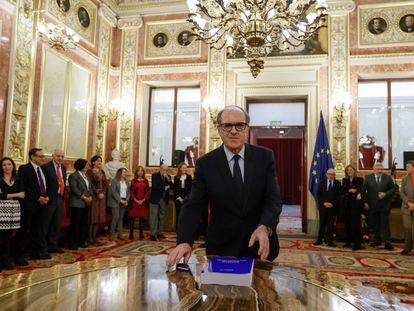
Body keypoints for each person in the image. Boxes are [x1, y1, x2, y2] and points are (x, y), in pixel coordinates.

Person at [167, 105, 282, 267]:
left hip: (260, 246)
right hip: (221, 248)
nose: (233, 131)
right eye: (227, 126)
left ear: (246, 128)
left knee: (261, 291)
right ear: (219, 130)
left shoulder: (264, 157)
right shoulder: (206, 164)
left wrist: (265, 227)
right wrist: (185, 241)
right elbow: (193, 205)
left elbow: (273, 199)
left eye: (239, 125)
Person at [15, 148, 50, 265]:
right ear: (32, 157)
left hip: (42, 205)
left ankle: (35, 252)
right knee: (24, 230)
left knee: (37, 229)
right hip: (29, 205)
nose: (43, 158)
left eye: (43, 156)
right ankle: (19, 256)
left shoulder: (43, 170)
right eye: (40, 156)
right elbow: (24, 187)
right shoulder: (24, 169)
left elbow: (46, 185)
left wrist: (46, 197)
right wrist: (37, 198)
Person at [361, 162, 396, 250]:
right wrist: (365, 202)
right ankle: (377, 241)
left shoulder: (387, 178)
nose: (379, 171)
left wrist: (385, 194)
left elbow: (393, 189)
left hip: (385, 205)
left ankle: (388, 242)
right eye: (377, 169)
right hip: (372, 205)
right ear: (374, 170)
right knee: (375, 224)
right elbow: (363, 191)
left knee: (385, 224)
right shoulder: (368, 178)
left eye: (381, 169)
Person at [0, 157, 25, 270]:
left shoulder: (18, 179)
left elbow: (23, 195)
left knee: (8, 236)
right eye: (4, 165)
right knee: (0, 236)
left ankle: (5, 261)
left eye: (9, 164)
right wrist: (15, 194)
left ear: (13, 166)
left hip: (14, 210)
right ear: (1, 167)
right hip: (1, 209)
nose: (7, 167)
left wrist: (6, 195)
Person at [41, 149, 66, 254]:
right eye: (58, 156)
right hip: (49, 199)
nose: (60, 158)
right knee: (45, 224)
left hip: (59, 198)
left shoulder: (63, 168)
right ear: (53, 156)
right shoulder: (45, 167)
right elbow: (43, 184)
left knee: (56, 224)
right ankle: (43, 248)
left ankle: (53, 245)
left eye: (62, 156)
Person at [68, 159, 92, 250]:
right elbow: (74, 189)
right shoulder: (74, 176)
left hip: (86, 203)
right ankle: (72, 243)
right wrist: (84, 197)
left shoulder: (86, 176)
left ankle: (81, 241)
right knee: (75, 223)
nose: (87, 167)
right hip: (77, 203)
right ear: (81, 165)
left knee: (83, 223)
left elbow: (90, 187)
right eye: (86, 165)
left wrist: (90, 196)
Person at [314, 168, 341, 247]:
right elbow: (318, 194)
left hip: (333, 208)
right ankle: (319, 240)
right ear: (326, 174)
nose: (331, 176)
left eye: (332, 174)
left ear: (334, 175)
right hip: (323, 207)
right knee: (322, 224)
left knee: (330, 225)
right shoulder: (322, 182)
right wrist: (324, 203)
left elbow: (339, 197)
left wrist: (332, 204)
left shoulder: (338, 184)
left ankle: (330, 241)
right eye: (329, 174)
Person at [86, 155, 108, 246]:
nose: (99, 162)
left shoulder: (102, 171)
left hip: (102, 197)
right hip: (94, 197)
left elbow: (106, 183)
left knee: (98, 218)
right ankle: (89, 238)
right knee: (92, 218)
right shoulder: (90, 172)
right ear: (93, 162)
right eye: (98, 161)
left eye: (100, 161)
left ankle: (95, 238)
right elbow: (90, 184)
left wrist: (103, 193)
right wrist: (97, 193)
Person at [342, 165, 364, 250]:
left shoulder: (359, 180)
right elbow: (343, 190)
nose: (350, 171)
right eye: (348, 170)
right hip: (346, 205)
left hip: (356, 206)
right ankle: (348, 242)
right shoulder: (345, 180)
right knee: (347, 224)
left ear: (354, 171)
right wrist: (350, 190)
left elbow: (361, 189)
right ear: (346, 172)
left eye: (351, 170)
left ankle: (357, 244)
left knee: (355, 225)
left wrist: (355, 191)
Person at [149, 164, 171, 241]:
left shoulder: (168, 177)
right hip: (155, 199)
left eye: (166, 170)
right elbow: (155, 186)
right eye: (164, 170)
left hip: (164, 199)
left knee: (162, 217)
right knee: (154, 217)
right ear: (160, 169)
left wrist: (168, 179)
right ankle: (152, 234)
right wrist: (165, 187)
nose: (165, 171)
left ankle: (159, 232)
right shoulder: (155, 175)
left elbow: (171, 186)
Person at [108, 168, 130, 241]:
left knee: (121, 218)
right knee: (116, 218)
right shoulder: (115, 181)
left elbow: (128, 192)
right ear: (119, 173)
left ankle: (120, 234)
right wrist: (120, 200)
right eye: (124, 172)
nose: (125, 174)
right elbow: (113, 192)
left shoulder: (127, 182)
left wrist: (126, 200)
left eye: (126, 172)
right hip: (115, 201)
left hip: (124, 201)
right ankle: (111, 234)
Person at [129, 166, 150, 240]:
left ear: (143, 172)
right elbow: (131, 192)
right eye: (138, 171)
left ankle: (141, 233)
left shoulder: (146, 181)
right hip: (134, 202)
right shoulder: (133, 181)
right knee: (132, 218)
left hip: (143, 202)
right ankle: (131, 234)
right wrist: (136, 200)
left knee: (142, 218)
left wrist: (143, 200)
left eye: (141, 171)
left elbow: (147, 191)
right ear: (136, 172)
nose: (140, 172)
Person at [400, 160, 414, 255]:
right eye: (406, 166)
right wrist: (409, 203)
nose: (407, 168)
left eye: (408, 166)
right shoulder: (404, 178)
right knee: (407, 227)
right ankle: (407, 247)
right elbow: (401, 192)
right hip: (406, 206)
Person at [173, 162, 192, 230]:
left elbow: (190, 189)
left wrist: (186, 199)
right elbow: (175, 189)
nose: (185, 169)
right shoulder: (176, 178)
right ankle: (178, 230)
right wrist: (179, 198)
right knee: (179, 215)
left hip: (187, 199)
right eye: (183, 167)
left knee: (186, 215)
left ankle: (185, 229)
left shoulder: (189, 177)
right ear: (180, 169)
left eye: (186, 168)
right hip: (178, 199)